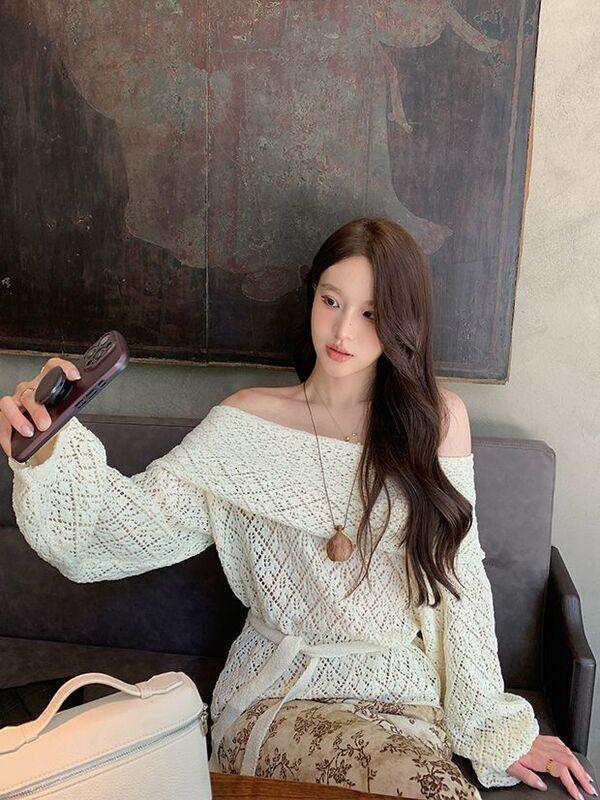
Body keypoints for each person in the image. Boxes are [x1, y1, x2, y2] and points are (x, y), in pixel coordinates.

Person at [0, 218, 594, 800]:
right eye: (331, 301)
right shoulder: (245, 423)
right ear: (312, 296)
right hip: (277, 698)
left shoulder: (435, 423)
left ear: (402, 320)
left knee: (420, 778)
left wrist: (492, 727)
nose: (343, 330)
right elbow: (117, 533)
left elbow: (459, 580)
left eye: (371, 313)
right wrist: (48, 451)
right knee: (432, 789)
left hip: (404, 705)